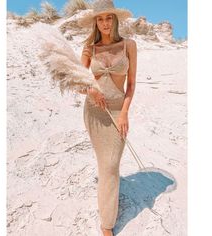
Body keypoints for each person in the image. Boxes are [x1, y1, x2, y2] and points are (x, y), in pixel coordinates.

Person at [77, 0, 137, 235]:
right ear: (95, 22)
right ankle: (107, 225)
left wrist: (124, 113)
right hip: (94, 111)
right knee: (107, 165)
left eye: (108, 18)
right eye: (100, 19)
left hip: (116, 110)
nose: (104, 22)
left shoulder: (129, 46)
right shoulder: (89, 48)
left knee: (111, 164)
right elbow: (78, 81)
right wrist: (91, 89)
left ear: (115, 19)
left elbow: (131, 84)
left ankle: (107, 221)